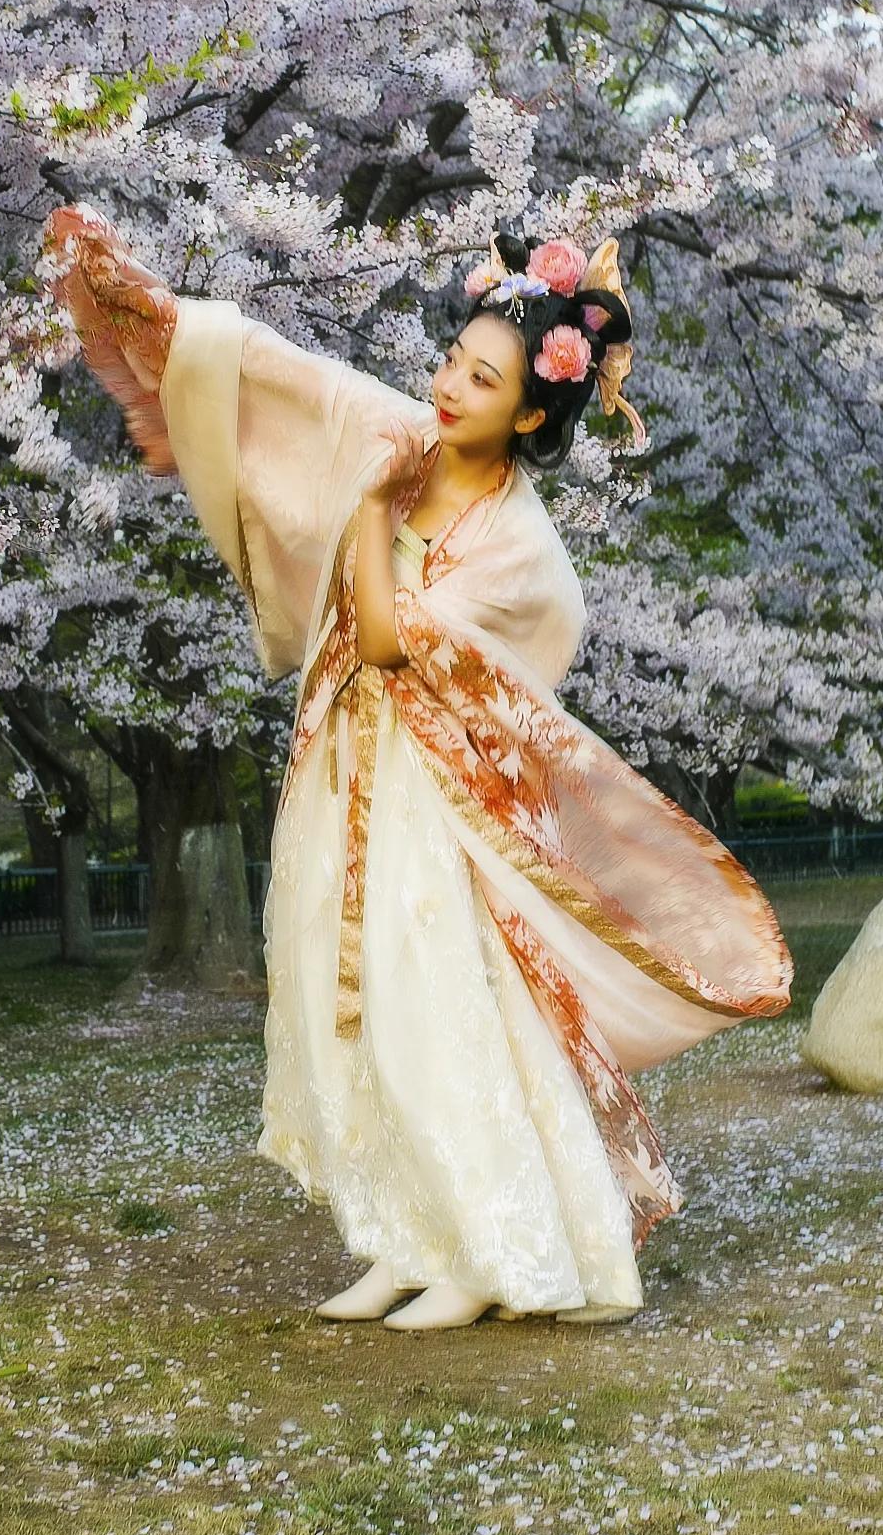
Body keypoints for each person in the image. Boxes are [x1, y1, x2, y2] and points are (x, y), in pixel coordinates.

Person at [44, 210, 792, 1329]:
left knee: (436, 1001)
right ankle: (400, 1232)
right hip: (350, 770)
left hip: (447, 811)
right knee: (354, 1002)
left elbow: (400, 640)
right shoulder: (405, 439)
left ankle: (486, 1249)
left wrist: (368, 514)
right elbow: (292, 388)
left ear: (529, 411)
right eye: (451, 359)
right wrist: (169, 330)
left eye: (479, 380)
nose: (447, 386)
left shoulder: (519, 548)